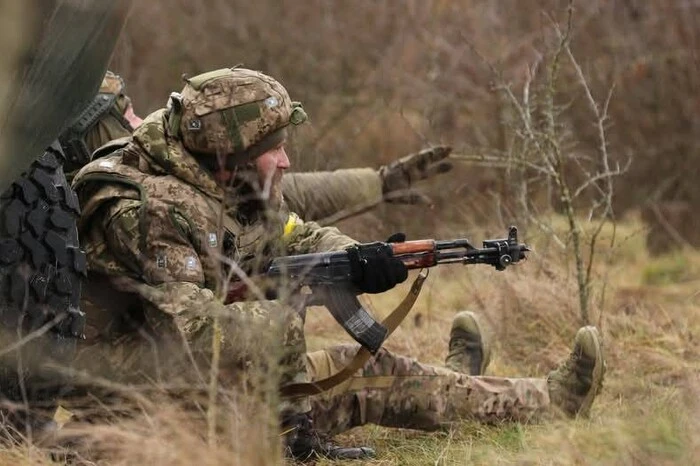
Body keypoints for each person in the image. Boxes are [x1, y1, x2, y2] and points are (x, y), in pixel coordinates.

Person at [70, 67, 606, 461]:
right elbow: (193, 333)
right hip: (146, 428)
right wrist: (284, 316)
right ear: (228, 149)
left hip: (197, 397)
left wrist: (354, 259)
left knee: (371, 373)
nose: (285, 160)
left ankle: (473, 389)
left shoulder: (217, 175)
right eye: (273, 147)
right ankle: (542, 400)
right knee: (371, 374)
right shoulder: (146, 210)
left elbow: (292, 234)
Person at [61, 70, 454, 221]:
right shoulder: (130, 206)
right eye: (116, 115)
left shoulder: (171, 162)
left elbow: (283, 193)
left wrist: (378, 182)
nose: (135, 120)